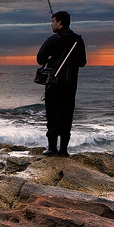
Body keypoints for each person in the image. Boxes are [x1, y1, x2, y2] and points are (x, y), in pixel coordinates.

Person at [36, 10, 87, 157]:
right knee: (67, 115)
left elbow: (40, 59)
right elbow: (82, 63)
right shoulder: (78, 40)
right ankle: (64, 150)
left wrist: (51, 57)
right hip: (71, 85)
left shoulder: (53, 40)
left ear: (59, 23)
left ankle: (52, 148)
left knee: (53, 115)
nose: (51, 24)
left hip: (54, 83)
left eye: (53, 21)